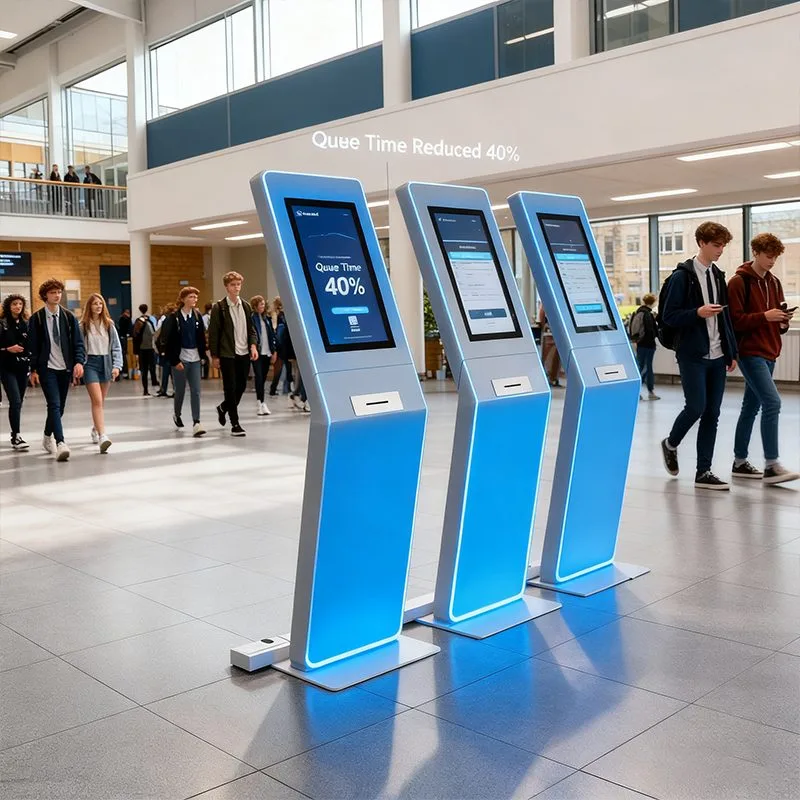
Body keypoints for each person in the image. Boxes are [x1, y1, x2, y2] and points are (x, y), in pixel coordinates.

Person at [660, 222, 738, 491]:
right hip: (692, 354)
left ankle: (703, 471)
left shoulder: (718, 275)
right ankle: (670, 443)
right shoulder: (682, 277)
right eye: (716, 245)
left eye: (723, 245)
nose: (720, 250)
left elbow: (725, 318)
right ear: (702, 243)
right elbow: (668, 316)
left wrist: (731, 351)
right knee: (696, 406)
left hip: (718, 354)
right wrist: (697, 313)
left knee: (712, 413)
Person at [728, 233, 798, 485]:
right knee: (772, 402)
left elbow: (776, 320)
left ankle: (739, 462)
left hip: (770, 351)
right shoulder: (738, 282)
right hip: (750, 352)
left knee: (751, 407)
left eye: (775, 257)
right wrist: (764, 316)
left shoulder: (775, 282)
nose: (772, 261)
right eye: (768, 256)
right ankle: (771, 465)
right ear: (755, 253)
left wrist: (782, 321)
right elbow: (734, 321)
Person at [28, 278, 86, 461]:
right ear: (45, 296)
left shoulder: (69, 317)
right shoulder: (37, 319)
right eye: (53, 292)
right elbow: (32, 346)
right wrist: (33, 370)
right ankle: (61, 442)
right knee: (53, 404)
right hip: (47, 368)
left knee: (59, 407)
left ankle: (47, 436)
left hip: (65, 367)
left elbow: (78, 342)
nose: (57, 295)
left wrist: (78, 362)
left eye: (59, 292)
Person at [208, 271, 257, 436]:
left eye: (238, 284)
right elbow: (214, 333)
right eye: (233, 285)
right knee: (230, 388)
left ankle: (223, 407)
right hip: (227, 353)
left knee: (241, 386)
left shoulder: (246, 306)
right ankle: (235, 423)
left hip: (244, 352)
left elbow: (251, 329)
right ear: (226, 287)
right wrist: (214, 356)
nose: (236, 288)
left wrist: (253, 346)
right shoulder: (219, 307)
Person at [80, 293, 122, 453]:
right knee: (97, 400)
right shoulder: (83, 326)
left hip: (106, 363)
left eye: (100, 303)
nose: (98, 306)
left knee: (101, 401)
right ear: (89, 307)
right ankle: (103, 435)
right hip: (90, 364)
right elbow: (79, 347)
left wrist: (117, 366)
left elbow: (116, 347)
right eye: (95, 304)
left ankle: (95, 427)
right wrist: (79, 364)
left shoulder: (109, 325)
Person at [162, 287, 207, 437]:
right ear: (183, 299)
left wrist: (203, 355)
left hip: (195, 358)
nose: (194, 299)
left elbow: (201, 337)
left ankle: (197, 422)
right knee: (180, 390)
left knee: (196, 390)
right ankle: (177, 414)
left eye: (195, 297)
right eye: (191, 297)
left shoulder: (197, 316)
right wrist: (174, 360)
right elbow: (167, 340)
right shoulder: (174, 318)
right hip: (180, 358)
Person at [0, 294, 31, 450]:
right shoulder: (2, 324)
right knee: (15, 401)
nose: (18, 306)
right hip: (7, 368)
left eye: (20, 304)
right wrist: (8, 349)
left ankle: (16, 433)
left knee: (18, 403)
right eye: (14, 304)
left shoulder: (26, 324)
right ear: (8, 306)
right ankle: (16, 436)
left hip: (23, 368)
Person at [630, 293, 660, 401]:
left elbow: (635, 330)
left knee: (643, 367)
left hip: (643, 344)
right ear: (653, 302)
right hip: (647, 345)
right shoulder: (646, 314)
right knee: (646, 368)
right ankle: (645, 391)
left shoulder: (641, 313)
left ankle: (640, 391)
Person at [250, 295, 276, 416]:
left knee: (264, 378)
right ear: (255, 306)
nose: (263, 306)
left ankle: (262, 401)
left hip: (267, 352)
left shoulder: (267, 318)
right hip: (257, 353)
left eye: (263, 304)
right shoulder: (252, 318)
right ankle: (260, 402)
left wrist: (274, 351)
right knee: (259, 377)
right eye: (260, 304)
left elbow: (271, 335)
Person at [132, 303, 157, 396]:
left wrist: (136, 351)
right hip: (150, 348)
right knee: (151, 367)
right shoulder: (151, 320)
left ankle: (145, 389)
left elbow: (135, 336)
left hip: (142, 349)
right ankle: (153, 382)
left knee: (144, 370)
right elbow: (154, 332)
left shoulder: (138, 321)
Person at [270, 296, 293, 397]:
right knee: (286, 368)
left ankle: (276, 388)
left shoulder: (276, 314)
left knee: (280, 369)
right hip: (283, 346)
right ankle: (285, 389)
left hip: (280, 346)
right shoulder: (282, 315)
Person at [154, 304, 175, 397]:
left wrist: (162, 348)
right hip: (170, 349)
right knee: (171, 371)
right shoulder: (171, 319)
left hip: (166, 350)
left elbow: (163, 335)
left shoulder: (167, 320)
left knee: (166, 371)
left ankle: (164, 389)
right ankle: (172, 389)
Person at [117, 309, 132, 378]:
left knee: (124, 353)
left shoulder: (124, 319)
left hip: (123, 338)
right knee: (124, 353)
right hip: (123, 338)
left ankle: (125, 370)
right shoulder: (124, 319)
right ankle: (124, 370)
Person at [201, 303, 213, 379]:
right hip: (206, 338)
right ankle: (205, 374)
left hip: (208, 337)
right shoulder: (205, 317)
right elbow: (205, 328)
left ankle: (206, 374)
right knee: (206, 357)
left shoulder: (205, 316)